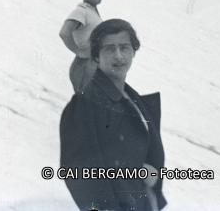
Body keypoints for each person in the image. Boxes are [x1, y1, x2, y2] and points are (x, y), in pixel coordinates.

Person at [59, 19, 166, 211]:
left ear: (133, 51)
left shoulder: (133, 100)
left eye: (124, 47)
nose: (118, 56)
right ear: (97, 56)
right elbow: (78, 174)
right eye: (109, 49)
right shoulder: (84, 105)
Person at [59, 0, 105, 92]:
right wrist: (78, 51)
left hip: (92, 65)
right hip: (84, 66)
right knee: (88, 105)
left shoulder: (91, 12)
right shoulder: (81, 11)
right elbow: (64, 33)